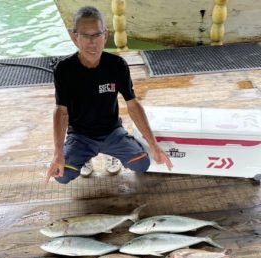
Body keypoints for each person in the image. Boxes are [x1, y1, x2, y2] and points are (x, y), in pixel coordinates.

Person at [45, 6, 173, 185]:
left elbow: (132, 104)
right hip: (80, 135)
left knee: (142, 164)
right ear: (75, 37)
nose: (93, 42)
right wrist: (58, 153)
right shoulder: (64, 69)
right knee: (62, 175)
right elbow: (61, 111)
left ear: (105, 35)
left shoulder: (117, 65)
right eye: (86, 36)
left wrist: (153, 144)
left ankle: (112, 152)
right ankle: (85, 156)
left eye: (97, 35)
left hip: (112, 132)